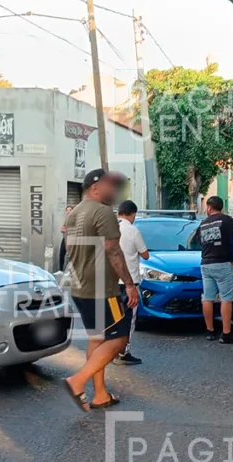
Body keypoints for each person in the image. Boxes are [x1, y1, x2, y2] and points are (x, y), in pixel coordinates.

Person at [62, 169, 138, 412]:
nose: (112, 191)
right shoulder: (102, 212)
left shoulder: (73, 214)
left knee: (98, 338)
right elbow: (113, 250)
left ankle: (100, 395)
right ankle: (78, 380)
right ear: (95, 187)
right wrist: (129, 283)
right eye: (108, 186)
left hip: (80, 288)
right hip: (102, 290)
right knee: (119, 338)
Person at [197, 196, 233, 344]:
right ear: (221, 207)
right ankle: (226, 333)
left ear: (209, 208)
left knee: (208, 297)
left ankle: (210, 331)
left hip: (205, 263)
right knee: (226, 298)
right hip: (223, 262)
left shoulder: (202, 224)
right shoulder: (227, 220)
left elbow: (199, 241)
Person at [114, 200, 149, 366]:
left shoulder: (110, 229)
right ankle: (123, 352)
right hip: (130, 284)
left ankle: (112, 350)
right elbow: (145, 255)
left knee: (115, 317)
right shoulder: (132, 231)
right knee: (128, 319)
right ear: (133, 214)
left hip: (111, 283)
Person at [58, 205, 74, 271]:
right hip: (65, 239)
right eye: (67, 210)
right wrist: (65, 229)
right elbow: (62, 229)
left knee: (72, 257)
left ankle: (72, 271)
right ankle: (61, 270)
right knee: (61, 255)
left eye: (70, 210)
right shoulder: (66, 219)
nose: (68, 211)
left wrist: (67, 230)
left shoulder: (75, 219)